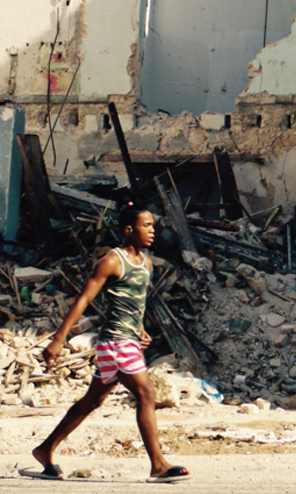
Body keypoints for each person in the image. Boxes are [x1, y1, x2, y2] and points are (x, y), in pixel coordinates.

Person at [30, 206, 189, 482]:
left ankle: (45, 450)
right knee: (146, 394)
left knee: (93, 401)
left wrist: (139, 329)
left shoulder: (146, 263)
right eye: (147, 225)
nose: (153, 230)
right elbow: (84, 299)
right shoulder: (111, 261)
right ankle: (159, 465)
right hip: (116, 341)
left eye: (153, 226)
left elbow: (130, 301)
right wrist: (59, 339)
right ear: (129, 230)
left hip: (125, 340)